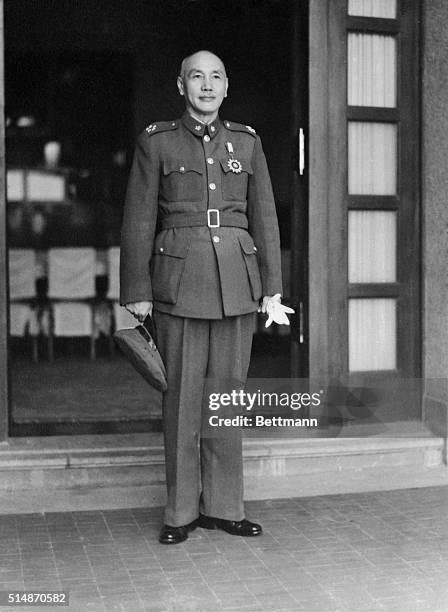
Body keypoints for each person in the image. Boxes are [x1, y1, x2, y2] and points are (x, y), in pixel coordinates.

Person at [120, 50, 282, 544]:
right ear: (181, 84)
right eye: (197, 76)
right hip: (179, 285)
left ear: (227, 87)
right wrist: (137, 291)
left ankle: (226, 507)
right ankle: (180, 512)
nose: (206, 85)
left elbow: (266, 217)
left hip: (237, 283)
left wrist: (271, 288)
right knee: (184, 404)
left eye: (215, 77)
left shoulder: (247, 143)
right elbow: (139, 218)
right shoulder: (158, 142)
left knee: (226, 401)